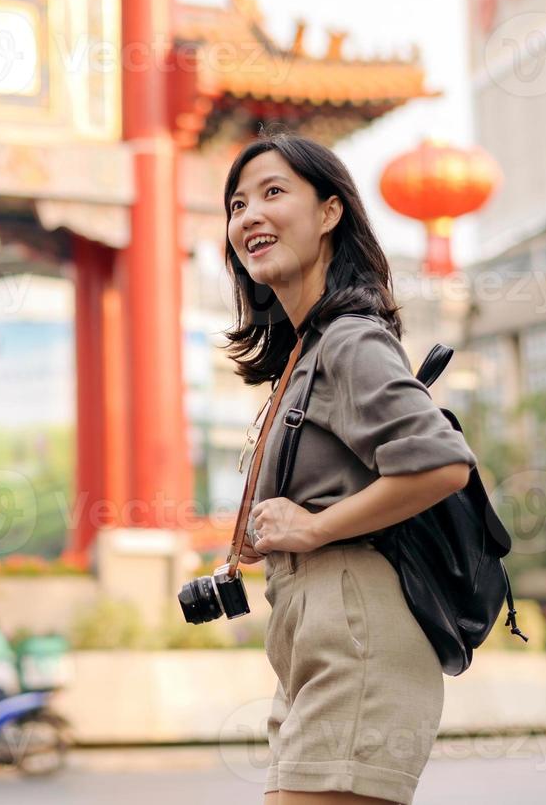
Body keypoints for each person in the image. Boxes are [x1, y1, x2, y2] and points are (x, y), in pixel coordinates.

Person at [223, 133, 477, 805]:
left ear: (330, 213)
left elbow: (441, 463)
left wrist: (314, 528)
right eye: (238, 203)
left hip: (355, 628)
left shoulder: (350, 337)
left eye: (274, 193)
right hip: (310, 635)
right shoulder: (305, 353)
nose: (249, 214)